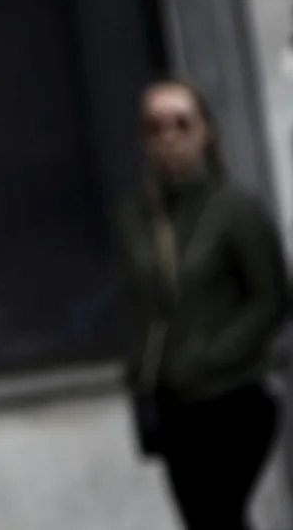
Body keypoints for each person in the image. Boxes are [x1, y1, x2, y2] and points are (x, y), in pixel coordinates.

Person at [119, 78, 288, 530]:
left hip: (232, 398)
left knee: (220, 515)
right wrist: (139, 376)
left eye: (180, 124)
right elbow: (138, 307)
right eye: (154, 127)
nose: (168, 138)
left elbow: (271, 297)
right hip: (174, 404)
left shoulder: (234, 209)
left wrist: (213, 355)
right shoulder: (139, 217)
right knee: (201, 519)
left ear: (205, 130)